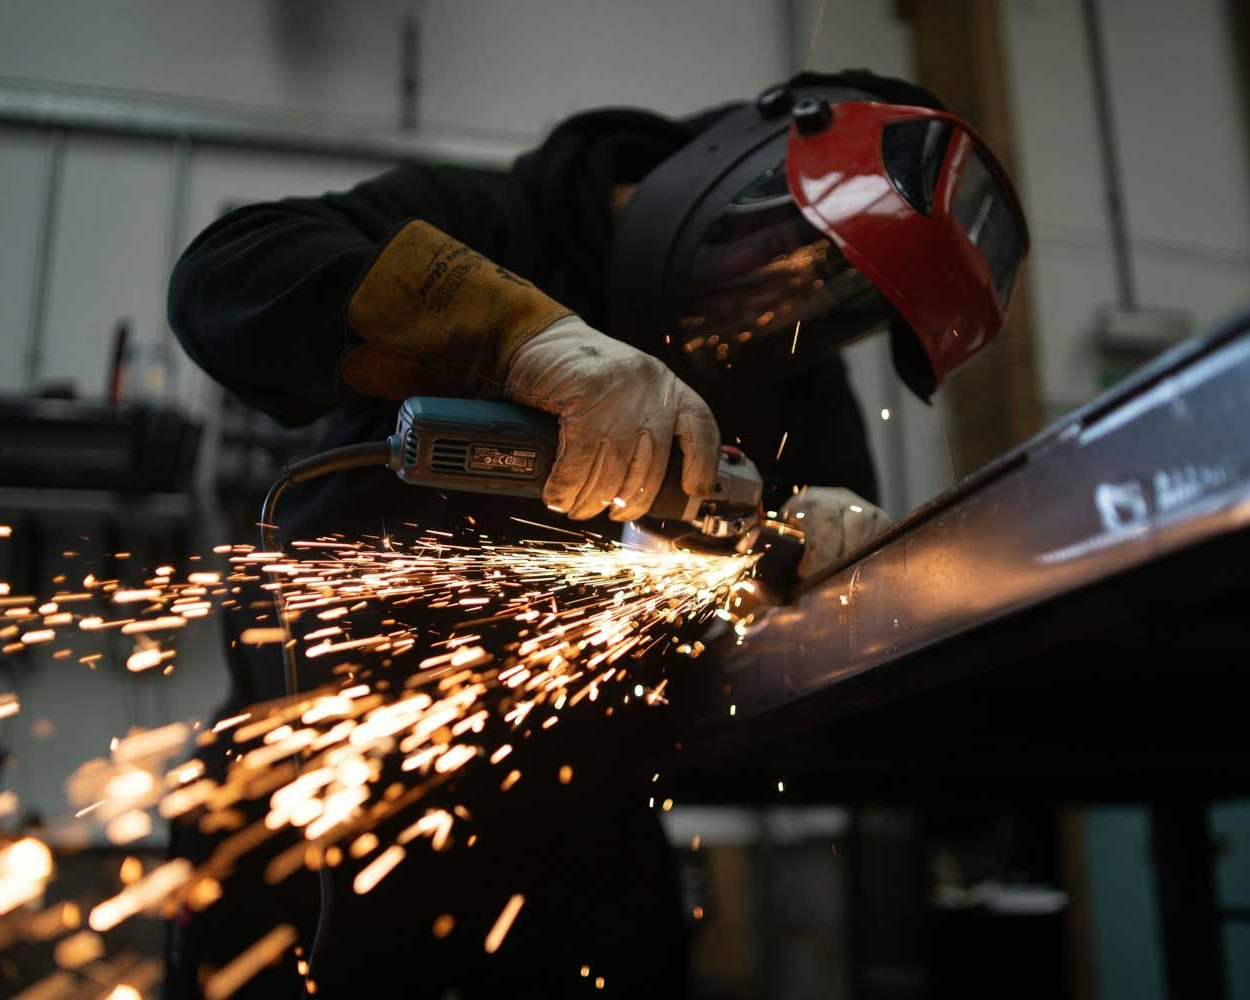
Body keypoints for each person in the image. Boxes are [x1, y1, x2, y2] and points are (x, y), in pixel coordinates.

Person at [165, 69, 1028, 998]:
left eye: (842, 305)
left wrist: (825, 553)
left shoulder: (789, 370)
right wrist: (521, 337)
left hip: (580, 830)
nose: (788, 308)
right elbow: (229, 267)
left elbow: (819, 590)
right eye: (798, 258)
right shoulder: (492, 221)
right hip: (313, 796)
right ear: (732, 165)